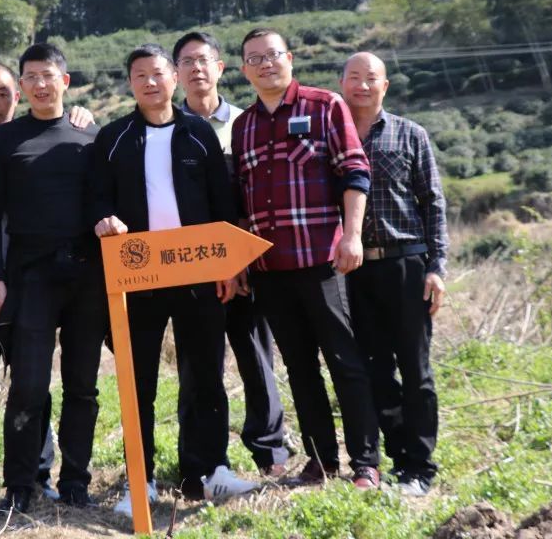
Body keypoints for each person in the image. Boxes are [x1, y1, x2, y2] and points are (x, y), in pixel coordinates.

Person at [93, 43, 259, 516]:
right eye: (139, 75)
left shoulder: (199, 133)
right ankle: (138, 482)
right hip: (140, 272)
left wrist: (231, 265)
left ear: (174, 79)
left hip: (198, 271)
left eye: (158, 73)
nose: (149, 82)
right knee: (137, 380)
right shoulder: (115, 137)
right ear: (130, 83)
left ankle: (210, 472)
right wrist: (104, 218)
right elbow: (96, 197)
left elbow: (222, 203)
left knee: (205, 373)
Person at [231, 28, 382, 489]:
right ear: (244, 70)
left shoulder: (324, 106)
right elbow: (240, 200)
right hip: (270, 269)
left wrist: (351, 236)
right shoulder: (244, 126)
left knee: (345, 361)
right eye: (254, 59)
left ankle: (365, 463)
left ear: (290, 59)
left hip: (321, 261)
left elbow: (355, 170)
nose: (265, 65)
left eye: (273, 56)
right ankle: (321, 461)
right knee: (299, 368)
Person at [0, 62, 93, 511]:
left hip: (32, 278)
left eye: (2, 93)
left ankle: (45, 476)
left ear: (18, 96)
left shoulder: (74, 133)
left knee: (43, 383)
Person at [0, 43, 108, 513]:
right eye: (29, 76)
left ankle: (76, 481)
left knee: (82, 386)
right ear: (21, 86)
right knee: (28, 386)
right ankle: (20, 485)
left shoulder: (90, 135)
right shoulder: (6, 140)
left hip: (86, 276)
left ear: (65, 81)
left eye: (47, 75)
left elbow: (103, 201)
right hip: (29, 278)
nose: (39, 83)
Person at [173, 31, 290, 480]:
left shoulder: (245, 124)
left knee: (256, 357)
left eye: (204, 60)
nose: (197, 69)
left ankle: (270, 453)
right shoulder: (169, 127)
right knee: (197, 367)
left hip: (247, 262)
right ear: (176, 73)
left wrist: (238, 261)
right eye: (187, 62)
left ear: (221, 68)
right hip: (190, 264)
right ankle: (200, 463)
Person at [339, 52, 448, 497]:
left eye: (371, 79)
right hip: (354, 270)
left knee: (416, 370)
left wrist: (438, 267)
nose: (362, 86)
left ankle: (420, 467)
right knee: (375, 369)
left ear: (385, 86)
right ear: (341, 84)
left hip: (406, 264)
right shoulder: (332, 138)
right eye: (354, 78)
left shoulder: (410, 134)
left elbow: (434, 204)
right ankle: (395, 459)